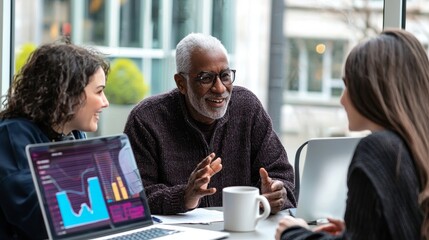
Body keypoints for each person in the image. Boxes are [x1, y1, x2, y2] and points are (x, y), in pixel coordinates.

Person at [276, 29, 428, 240]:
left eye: (347, 86)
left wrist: (292, 233)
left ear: (371, 90)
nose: (342, 100)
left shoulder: (379, 149)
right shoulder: (416, 147)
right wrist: (357, 229)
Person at [124, 32, 296, 215]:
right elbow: (133, 198)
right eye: (206, 78)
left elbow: (282, 177)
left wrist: (277, 193)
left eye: (225, 76)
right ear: (181, 83)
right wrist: (184, 196)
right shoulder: (146, 119)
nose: (220, 88)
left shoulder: (247, 108)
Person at [0, 40, 110, 239]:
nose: (105, 102)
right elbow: (39, 220)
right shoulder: (12, 136)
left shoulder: (72, 134)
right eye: (99, 91)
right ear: (69, 94)